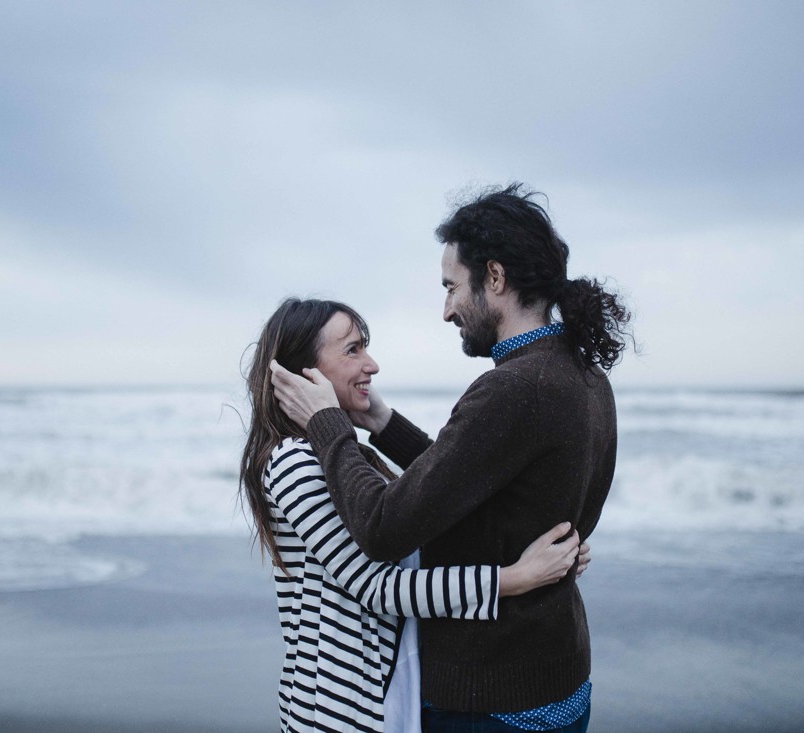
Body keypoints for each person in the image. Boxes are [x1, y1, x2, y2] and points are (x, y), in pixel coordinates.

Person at [270, 183, 631, 732]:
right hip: (557, 672)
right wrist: (382, 423)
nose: (446, 310)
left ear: (495, 278)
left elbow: (385, 528)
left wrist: (326, 423)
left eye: (451, 287)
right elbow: (470, 485)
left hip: (494, 692)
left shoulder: (514, 389)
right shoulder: (584, 376)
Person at [240, 297, 592, 733]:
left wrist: (538, 546)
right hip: (338, 710)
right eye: (352, 350)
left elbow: (436, 502)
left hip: (379, 695)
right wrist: (515, 578)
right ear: (302, 374)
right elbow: (377, 587)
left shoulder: (338, 454)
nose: (372, 365)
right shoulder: (295, 462)